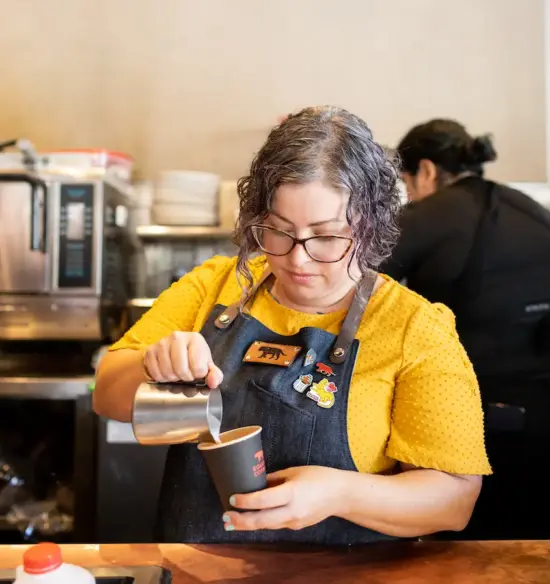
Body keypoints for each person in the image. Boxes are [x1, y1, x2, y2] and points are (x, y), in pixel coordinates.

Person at [94, 107, 491, 545]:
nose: (297, 259)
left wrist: (342, 494)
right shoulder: (215, 287)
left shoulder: (415, 328)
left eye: (326, 236)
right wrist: (153, 366)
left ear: (372, 226)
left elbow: (454, 500)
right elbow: (107, 396)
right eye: (279, 231)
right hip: (199, 570)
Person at [383, 119, 550, 539]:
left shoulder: (425, 217)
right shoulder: (530, 209)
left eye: (407, 181)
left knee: (467, 545)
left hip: (473, 415)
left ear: (425, 171)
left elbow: (349, 280)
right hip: (541, 411)